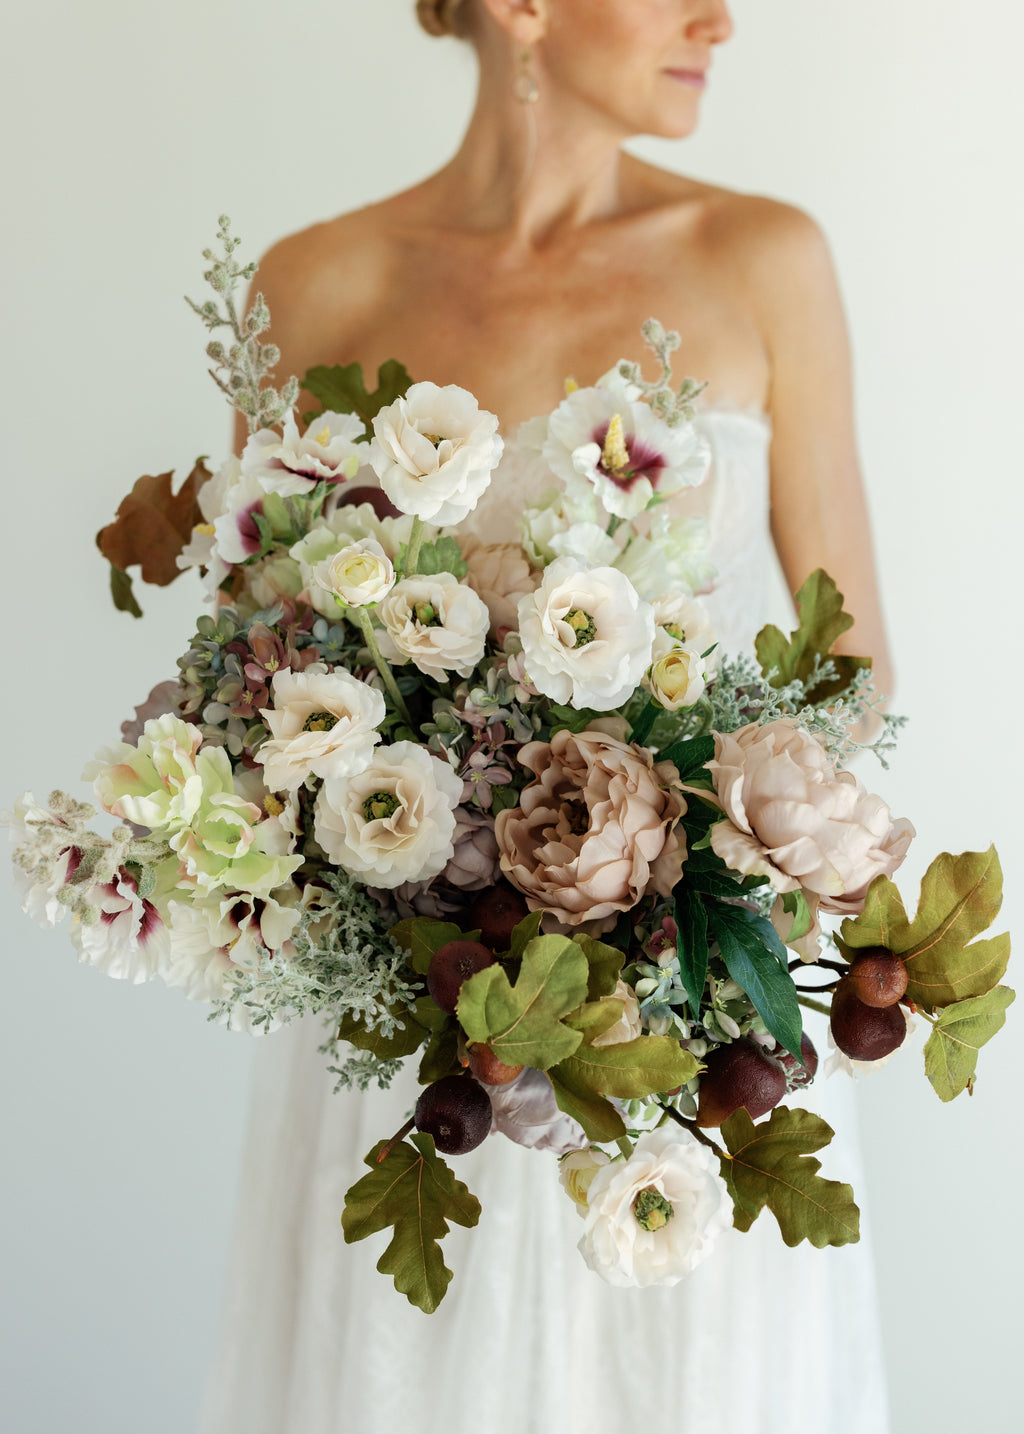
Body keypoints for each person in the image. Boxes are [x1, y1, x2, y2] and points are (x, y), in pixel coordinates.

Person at [201, 3, 892, 1431]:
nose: (722, 18)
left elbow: (853, 676)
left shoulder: (761, 261)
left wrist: (682, 866)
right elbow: (256, 692)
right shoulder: (312, 284)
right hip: (414, 1035)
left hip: (682, 1047)